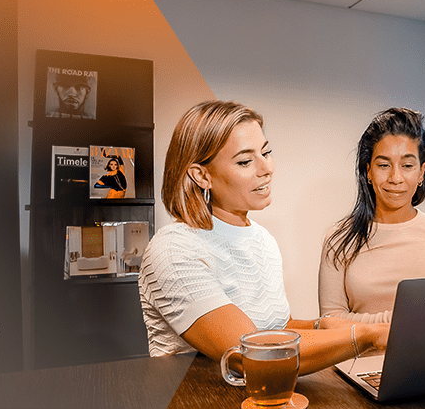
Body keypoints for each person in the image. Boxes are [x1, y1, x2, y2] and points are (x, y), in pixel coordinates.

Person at [139, 100, 389, 373]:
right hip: (194, 398)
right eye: (245, 161)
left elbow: (276, 329)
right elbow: (251, 354)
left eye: (266, 152)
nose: (266, 168)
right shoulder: (173, 249)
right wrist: (365, 336)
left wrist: (320, 325)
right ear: (202, 176)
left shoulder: (262, 240)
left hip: (264, 395)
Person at [319, 108, 425, 323]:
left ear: (422, 172)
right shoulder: (339, 238)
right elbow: (330, 321)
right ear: (368, 170)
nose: (395, 178)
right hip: (362, 349)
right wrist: (398, 322)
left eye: (407, 165)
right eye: (384, 165)